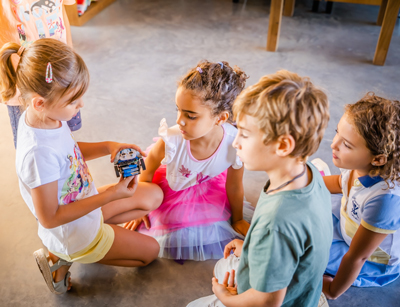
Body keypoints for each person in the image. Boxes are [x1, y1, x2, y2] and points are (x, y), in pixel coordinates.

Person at [0, 39, 163, 294]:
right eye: (74, 101)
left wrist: (109, 145)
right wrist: (111, 195)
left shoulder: (46, 117)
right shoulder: (37, 153)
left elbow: (69, 152)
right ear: (40, 102)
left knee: (154, 194)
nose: (81, 105)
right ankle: (64, 257)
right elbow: (50, 218)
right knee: (151, 252)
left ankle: (82, 244)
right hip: (73, 232)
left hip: (85, 204)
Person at [187, 70, 332, 307]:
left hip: (278, 301)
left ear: (283, 145)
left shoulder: (276, 223)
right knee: (225, 264)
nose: (236, 142)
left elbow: (267, 302)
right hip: (303, 288)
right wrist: (251, 248)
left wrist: (226, 298)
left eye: (244, 134)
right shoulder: (309, 173)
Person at [124, 61, 253, 261]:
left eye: (190, 116)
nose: (179, 121)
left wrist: (237, 220)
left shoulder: (235, 144)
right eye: (178, 110)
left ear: (220, 118)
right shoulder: (171, 141)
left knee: (209, 222)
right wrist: (140, 206)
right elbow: (147, 172)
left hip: (206, 183)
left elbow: (235, 186)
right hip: (172, 183)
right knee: (172, 220)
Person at [322, 94, 400, 299]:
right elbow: (341, 184)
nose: (333, 144)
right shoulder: (358, 166)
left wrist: (332, 290)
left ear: (377, 159)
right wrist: (304, 184)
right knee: (304, 216)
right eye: (337, 133)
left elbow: (358, 256)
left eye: (346, 145)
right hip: (348, 223)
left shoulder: (385, 200)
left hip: (370, 258)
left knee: (305, 252)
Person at [0, 0, 82, 148]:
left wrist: (71, 55)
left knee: (63, 136)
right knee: (33, 144)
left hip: (60, 70)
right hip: (23, 81)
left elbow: (61, 10)